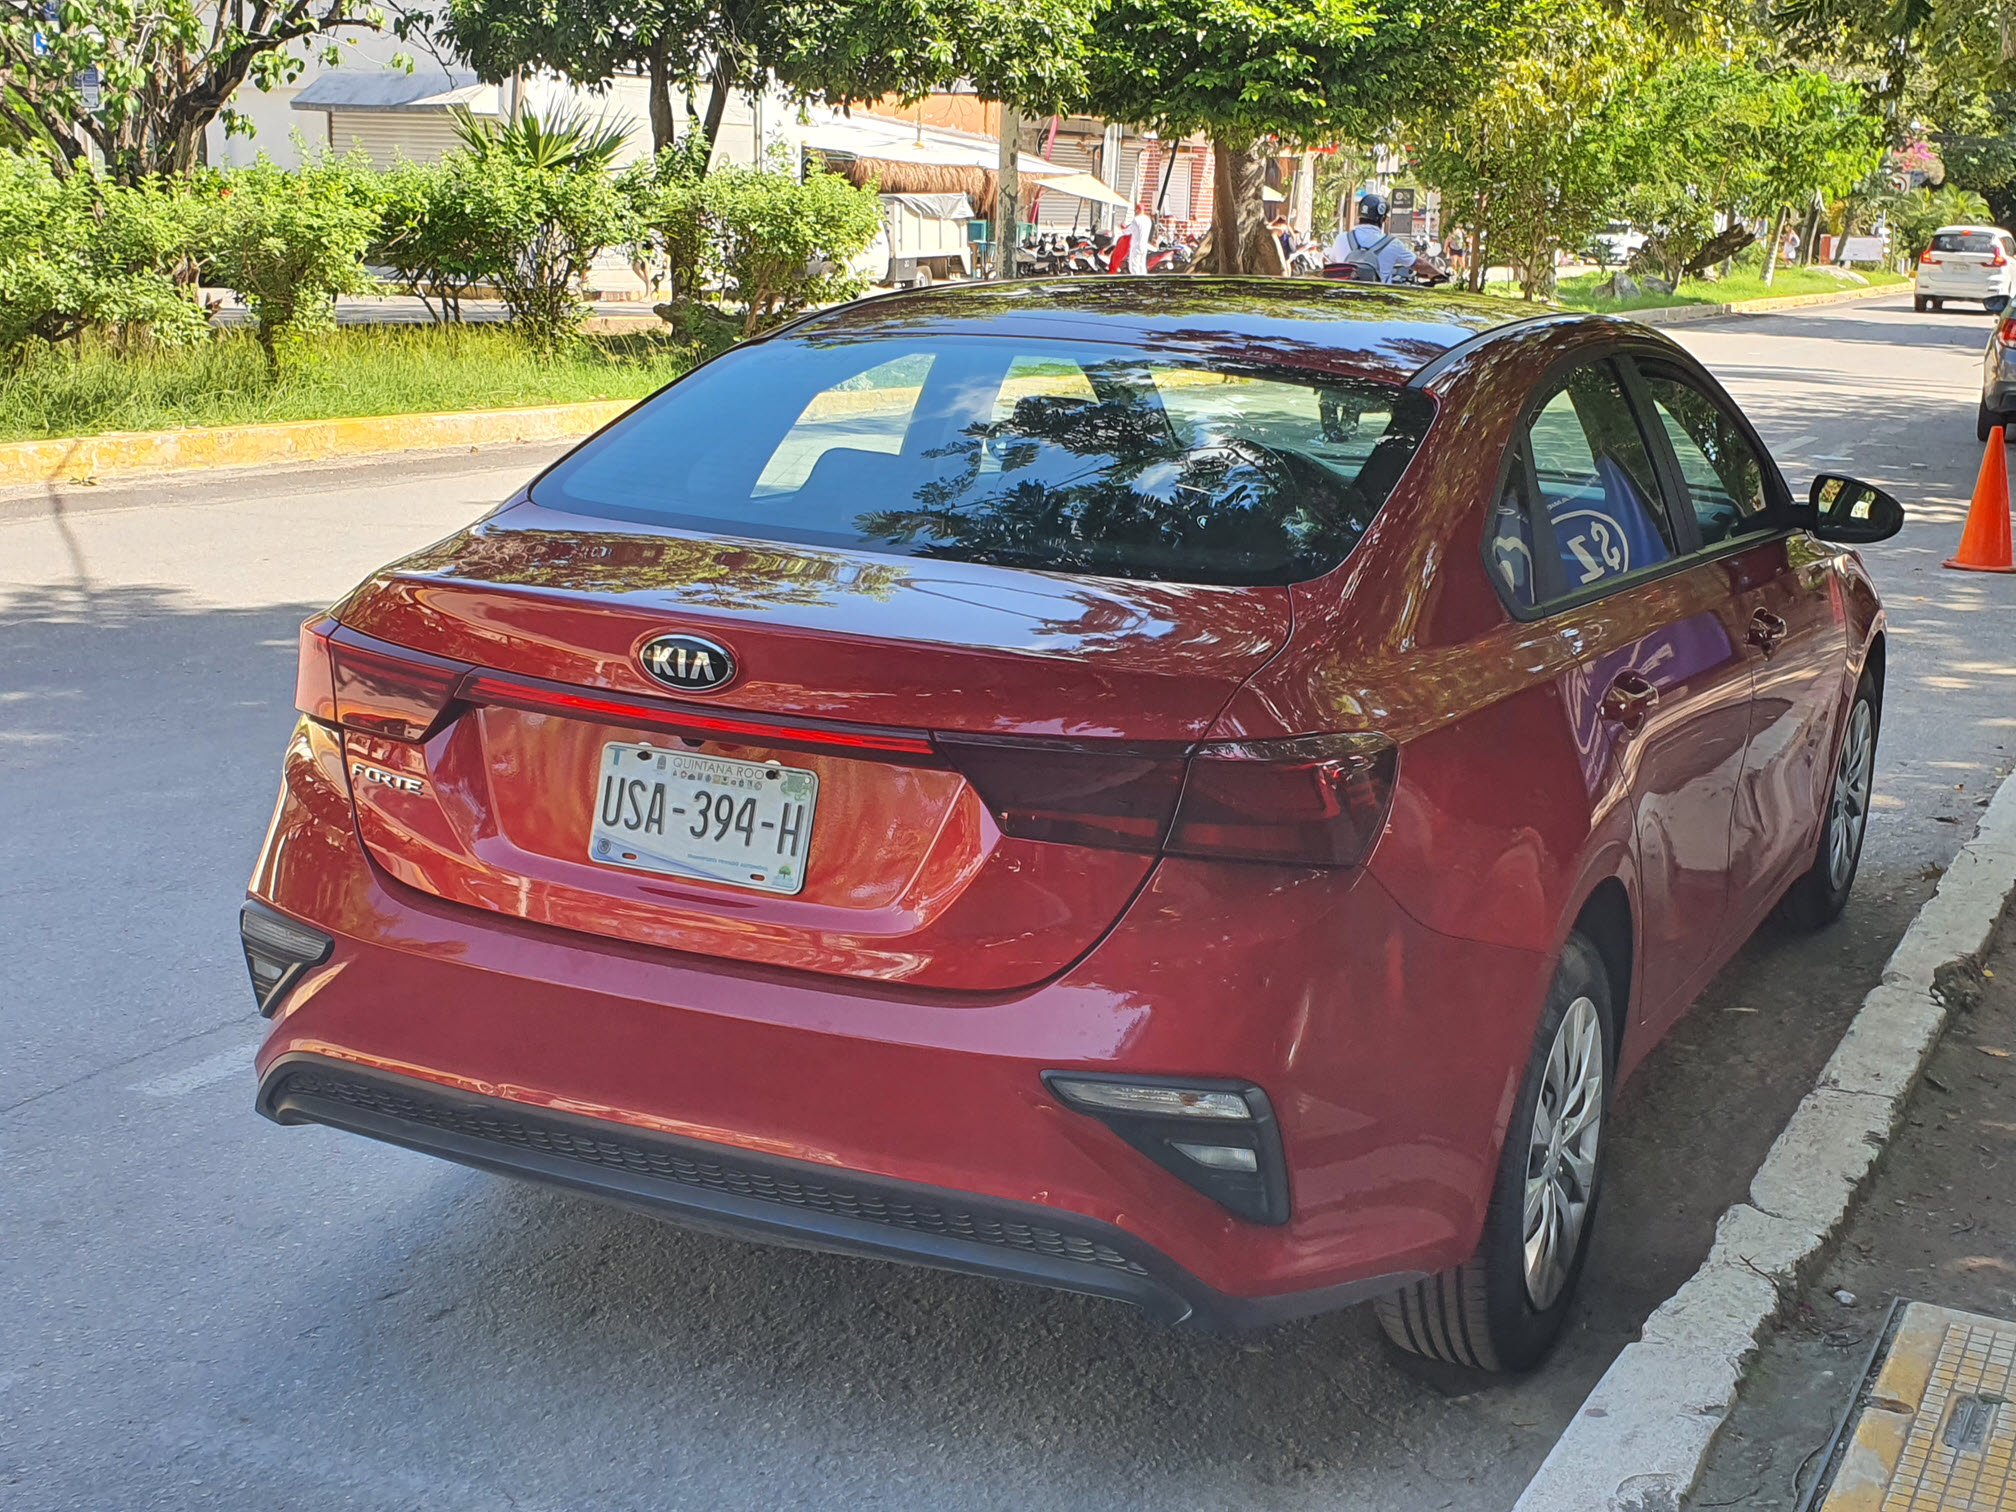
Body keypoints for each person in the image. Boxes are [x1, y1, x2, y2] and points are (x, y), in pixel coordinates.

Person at [1326, 192, 1418, 284]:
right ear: (1383, 219)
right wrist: (1432, 272)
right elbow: (1418, 264)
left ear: (1359, 216)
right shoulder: (1393, 244)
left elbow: (1332, 261)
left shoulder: (1341, 239)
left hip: (1345, 296)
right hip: (1377, 297)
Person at [1126, 203, 1154, 275]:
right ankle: (1144, 280)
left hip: (1136, 245)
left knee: (1134, 266)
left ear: (1137, 210)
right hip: (1144, 245)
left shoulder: (1136, 220)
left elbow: (1128, 231)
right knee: (1142, 265)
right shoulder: (1148, 220)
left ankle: (1136, 281)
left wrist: (1123, 229)